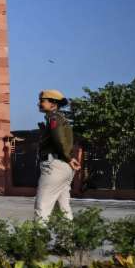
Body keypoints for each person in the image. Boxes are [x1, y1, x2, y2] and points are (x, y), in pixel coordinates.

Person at [34, 89, 80, 221]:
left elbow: (59, 140)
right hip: (63, 167)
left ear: (53, 104)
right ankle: (67, 235)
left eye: (42, 101)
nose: (39, 104)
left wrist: (68, 158)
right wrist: (69, 158)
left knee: (42, 208)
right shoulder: (59, 118)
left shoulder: (54, 118)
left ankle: (39, 234)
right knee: (63, 209)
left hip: (54, 166)